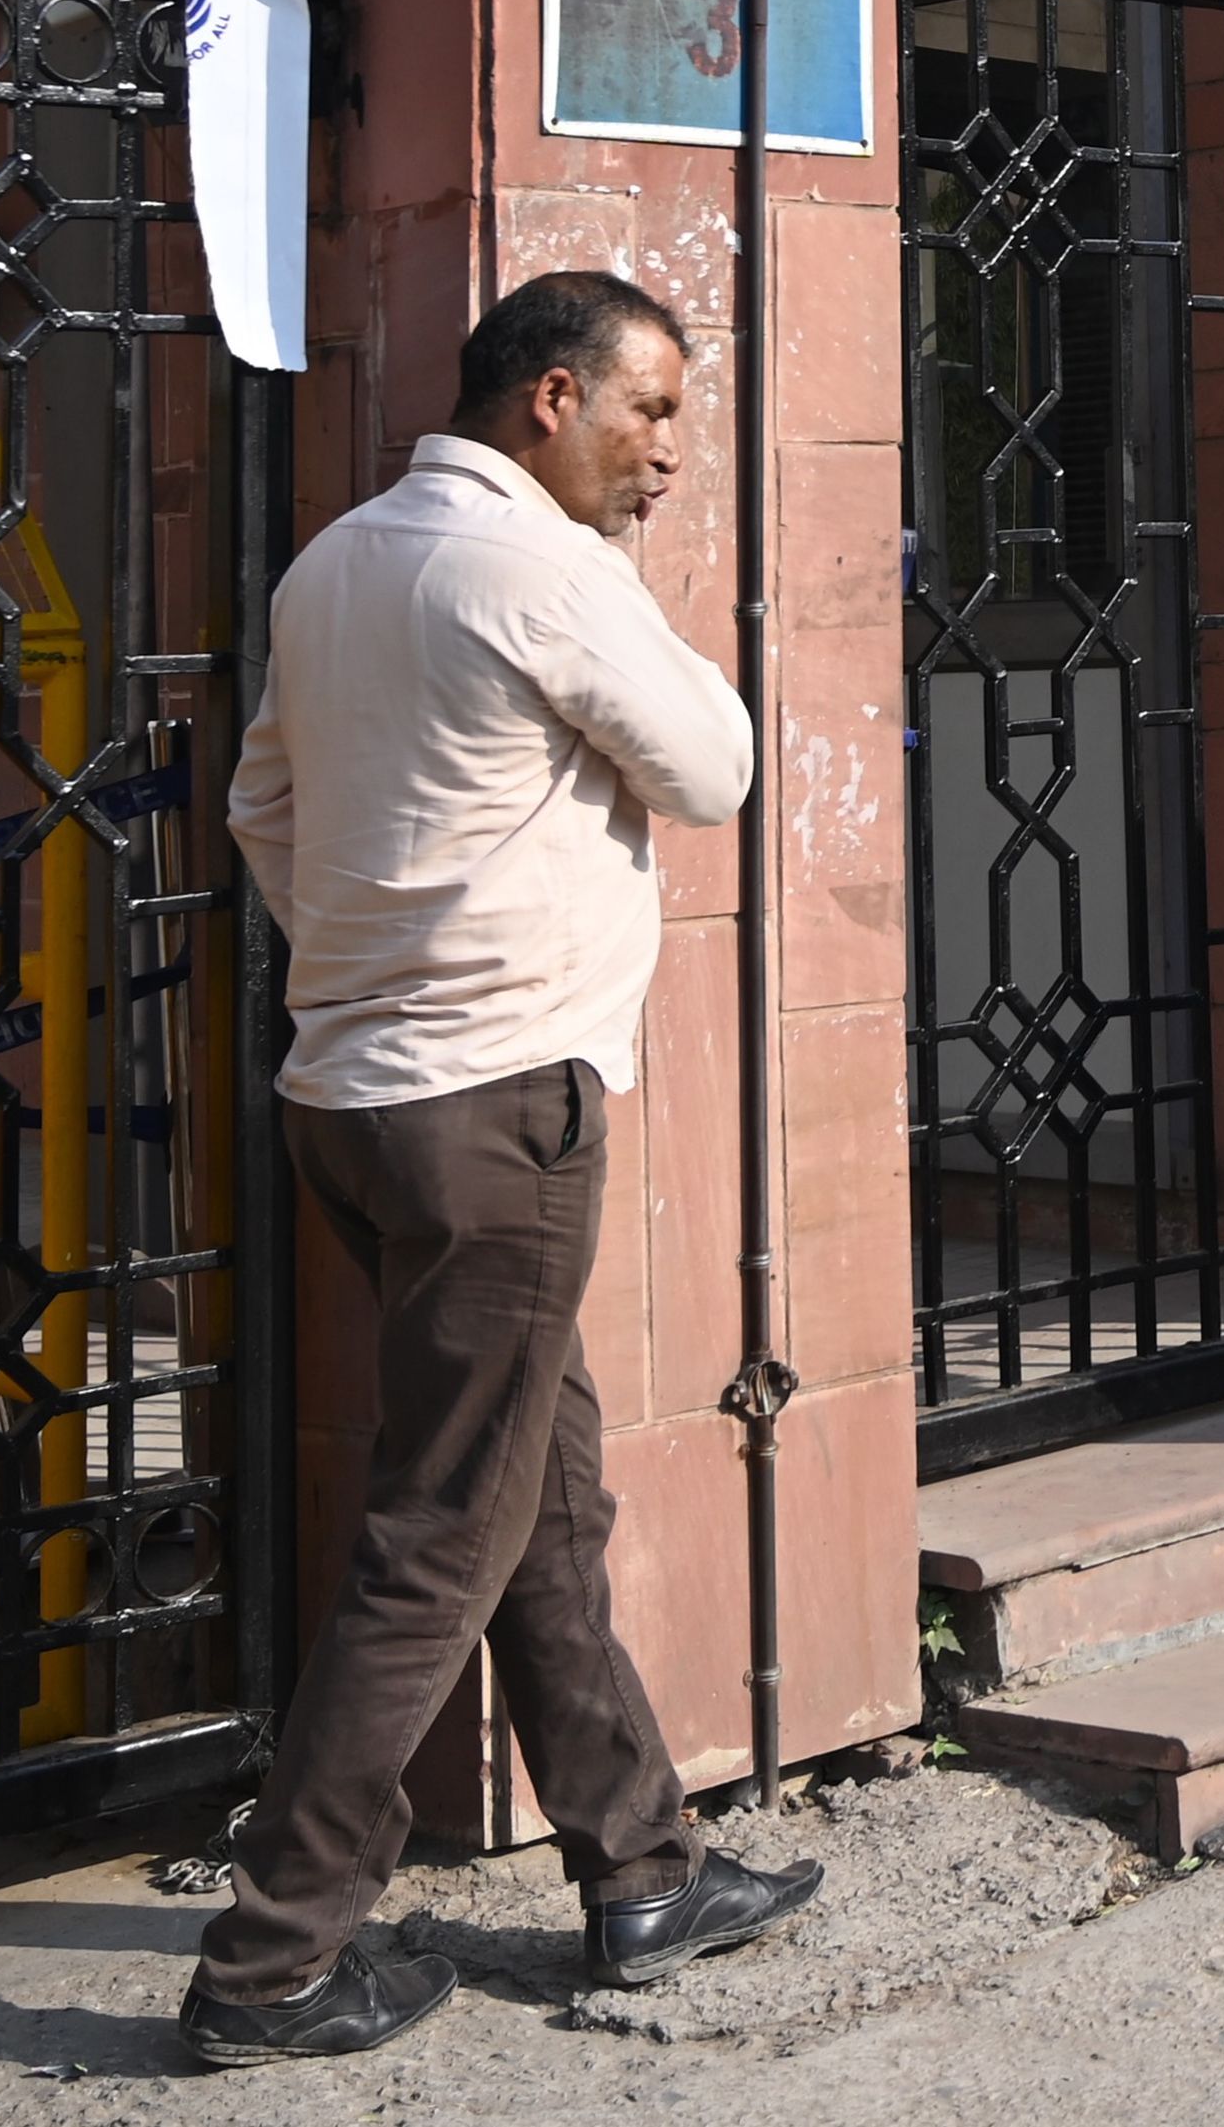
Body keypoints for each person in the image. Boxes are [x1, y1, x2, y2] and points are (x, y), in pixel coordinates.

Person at [187, 272, 814, 2066]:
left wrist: (378, 952)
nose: (671, 454)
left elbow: (261, 807)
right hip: (491, 1110)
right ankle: (274, 1958)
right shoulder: (537, 568)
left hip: (358, 1091)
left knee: (541, 1494)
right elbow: (714, 766)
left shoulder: (336, 561)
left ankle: (638, 1869)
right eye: (652, 413)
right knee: (442, 1534)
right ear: (549, 399)